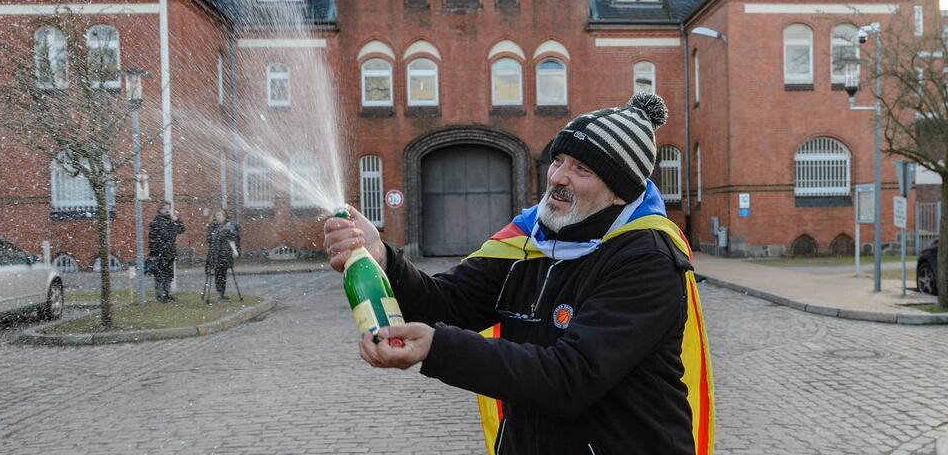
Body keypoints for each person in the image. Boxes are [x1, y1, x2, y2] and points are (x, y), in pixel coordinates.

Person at [323, 93, 714, 455]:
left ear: (619, 193)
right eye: (559, 161)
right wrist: (382, 258)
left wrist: (438, 348)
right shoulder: (530, 242)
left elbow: (570, 376)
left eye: (582, 169)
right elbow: (447, 302)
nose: (559, 177)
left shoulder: (646, 259)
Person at [148, 202, 186, 302]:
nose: (167, 210)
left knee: (169, 274)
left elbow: (182, 229)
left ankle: (167, 293)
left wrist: (176, 220)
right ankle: (160, 295)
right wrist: (153, 253)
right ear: (160, 210)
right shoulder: (156, 222)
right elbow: (152, 238)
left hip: (170, 252)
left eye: (168, 208)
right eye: (165, 208)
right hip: (159, 252)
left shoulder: (171, 221)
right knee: (159, 275)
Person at [205, 209, 240, 300]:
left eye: (220, 215)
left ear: (224, 216)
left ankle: (222, 292)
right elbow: (209, 239)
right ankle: (220, 291)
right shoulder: (213, 226)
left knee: (223, 273)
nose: (218, 217)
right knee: (217, 273)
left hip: (225, 253)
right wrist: (215, 231)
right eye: (217, 215)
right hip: (215, 253)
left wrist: (224, 232)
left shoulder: (230, 225)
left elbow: (233, 236)